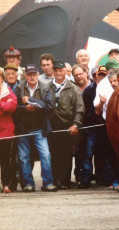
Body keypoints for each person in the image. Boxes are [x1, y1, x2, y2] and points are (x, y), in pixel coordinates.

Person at [14, 64, 57, 192]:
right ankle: (28, 184)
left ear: (38, 75)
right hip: (23, 128)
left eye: (34, 74)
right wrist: (26, 108)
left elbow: (50, 107)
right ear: (25, 75)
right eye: (29, 74)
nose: (32, 77)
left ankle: (48, 183)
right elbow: (14, 108)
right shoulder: (19, 87)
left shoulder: (45, 87)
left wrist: (32, 100)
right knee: (24, 157)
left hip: (40, 127)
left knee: (45, 155)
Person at [48, 60, 84, 190]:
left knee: (67, 155)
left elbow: (80, 109)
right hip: (52, 126)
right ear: (53, 72)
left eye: (61, 70)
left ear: (65, 72)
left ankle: (65, 181)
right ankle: (55, 180)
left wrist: (76, 124)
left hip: (68, 126)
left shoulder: (73, 88)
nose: (58, 73)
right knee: (53, 154)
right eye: (56, 70)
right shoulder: (47, 87)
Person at [0, 68, 17, 194]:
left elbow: (12, 106)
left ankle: (6, 184)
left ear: (2, 78)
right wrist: (4, 106)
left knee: (6, 159)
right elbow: (7, 106)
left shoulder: (8, 91)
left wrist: (3, 106)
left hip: (6, 130)